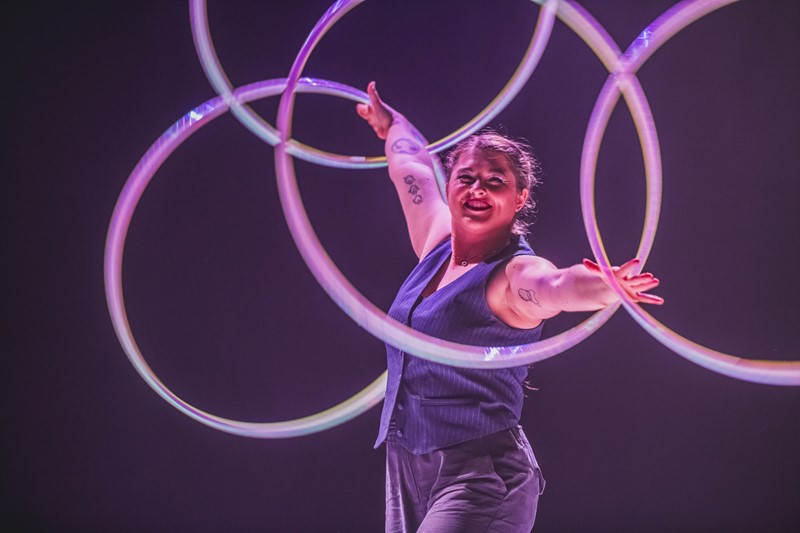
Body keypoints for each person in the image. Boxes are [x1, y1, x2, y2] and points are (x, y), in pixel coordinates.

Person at [357, 82, 662, 532]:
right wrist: (392, 125)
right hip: (406, 469)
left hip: (480, 477)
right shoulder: (436, 241)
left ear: (520, 197)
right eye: (466, 177)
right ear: (451, 184)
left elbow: (556, 287)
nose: (477, 188)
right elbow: (413, 168)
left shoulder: (512, 274)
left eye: (495, 181)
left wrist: (607, 286)